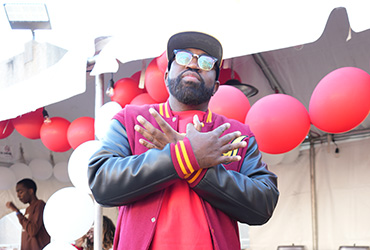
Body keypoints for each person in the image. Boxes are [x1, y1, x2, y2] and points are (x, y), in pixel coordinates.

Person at [88, 31, 279, 250]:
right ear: (166, 76)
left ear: (216, 85)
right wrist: (185, 156)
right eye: (183, 58)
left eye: (207, 62)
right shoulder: (131, 120)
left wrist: (198, 169)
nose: (194, 65)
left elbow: (263, 204)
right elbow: (101, 183)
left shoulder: (236, 134)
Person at [6, 178, 50, 250]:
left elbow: (32, 230)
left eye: (20, 192)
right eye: (17, 193)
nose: (18, 196)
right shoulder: (28, 209)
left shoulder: (40, 205)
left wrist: (16, 211)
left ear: (30, 191)